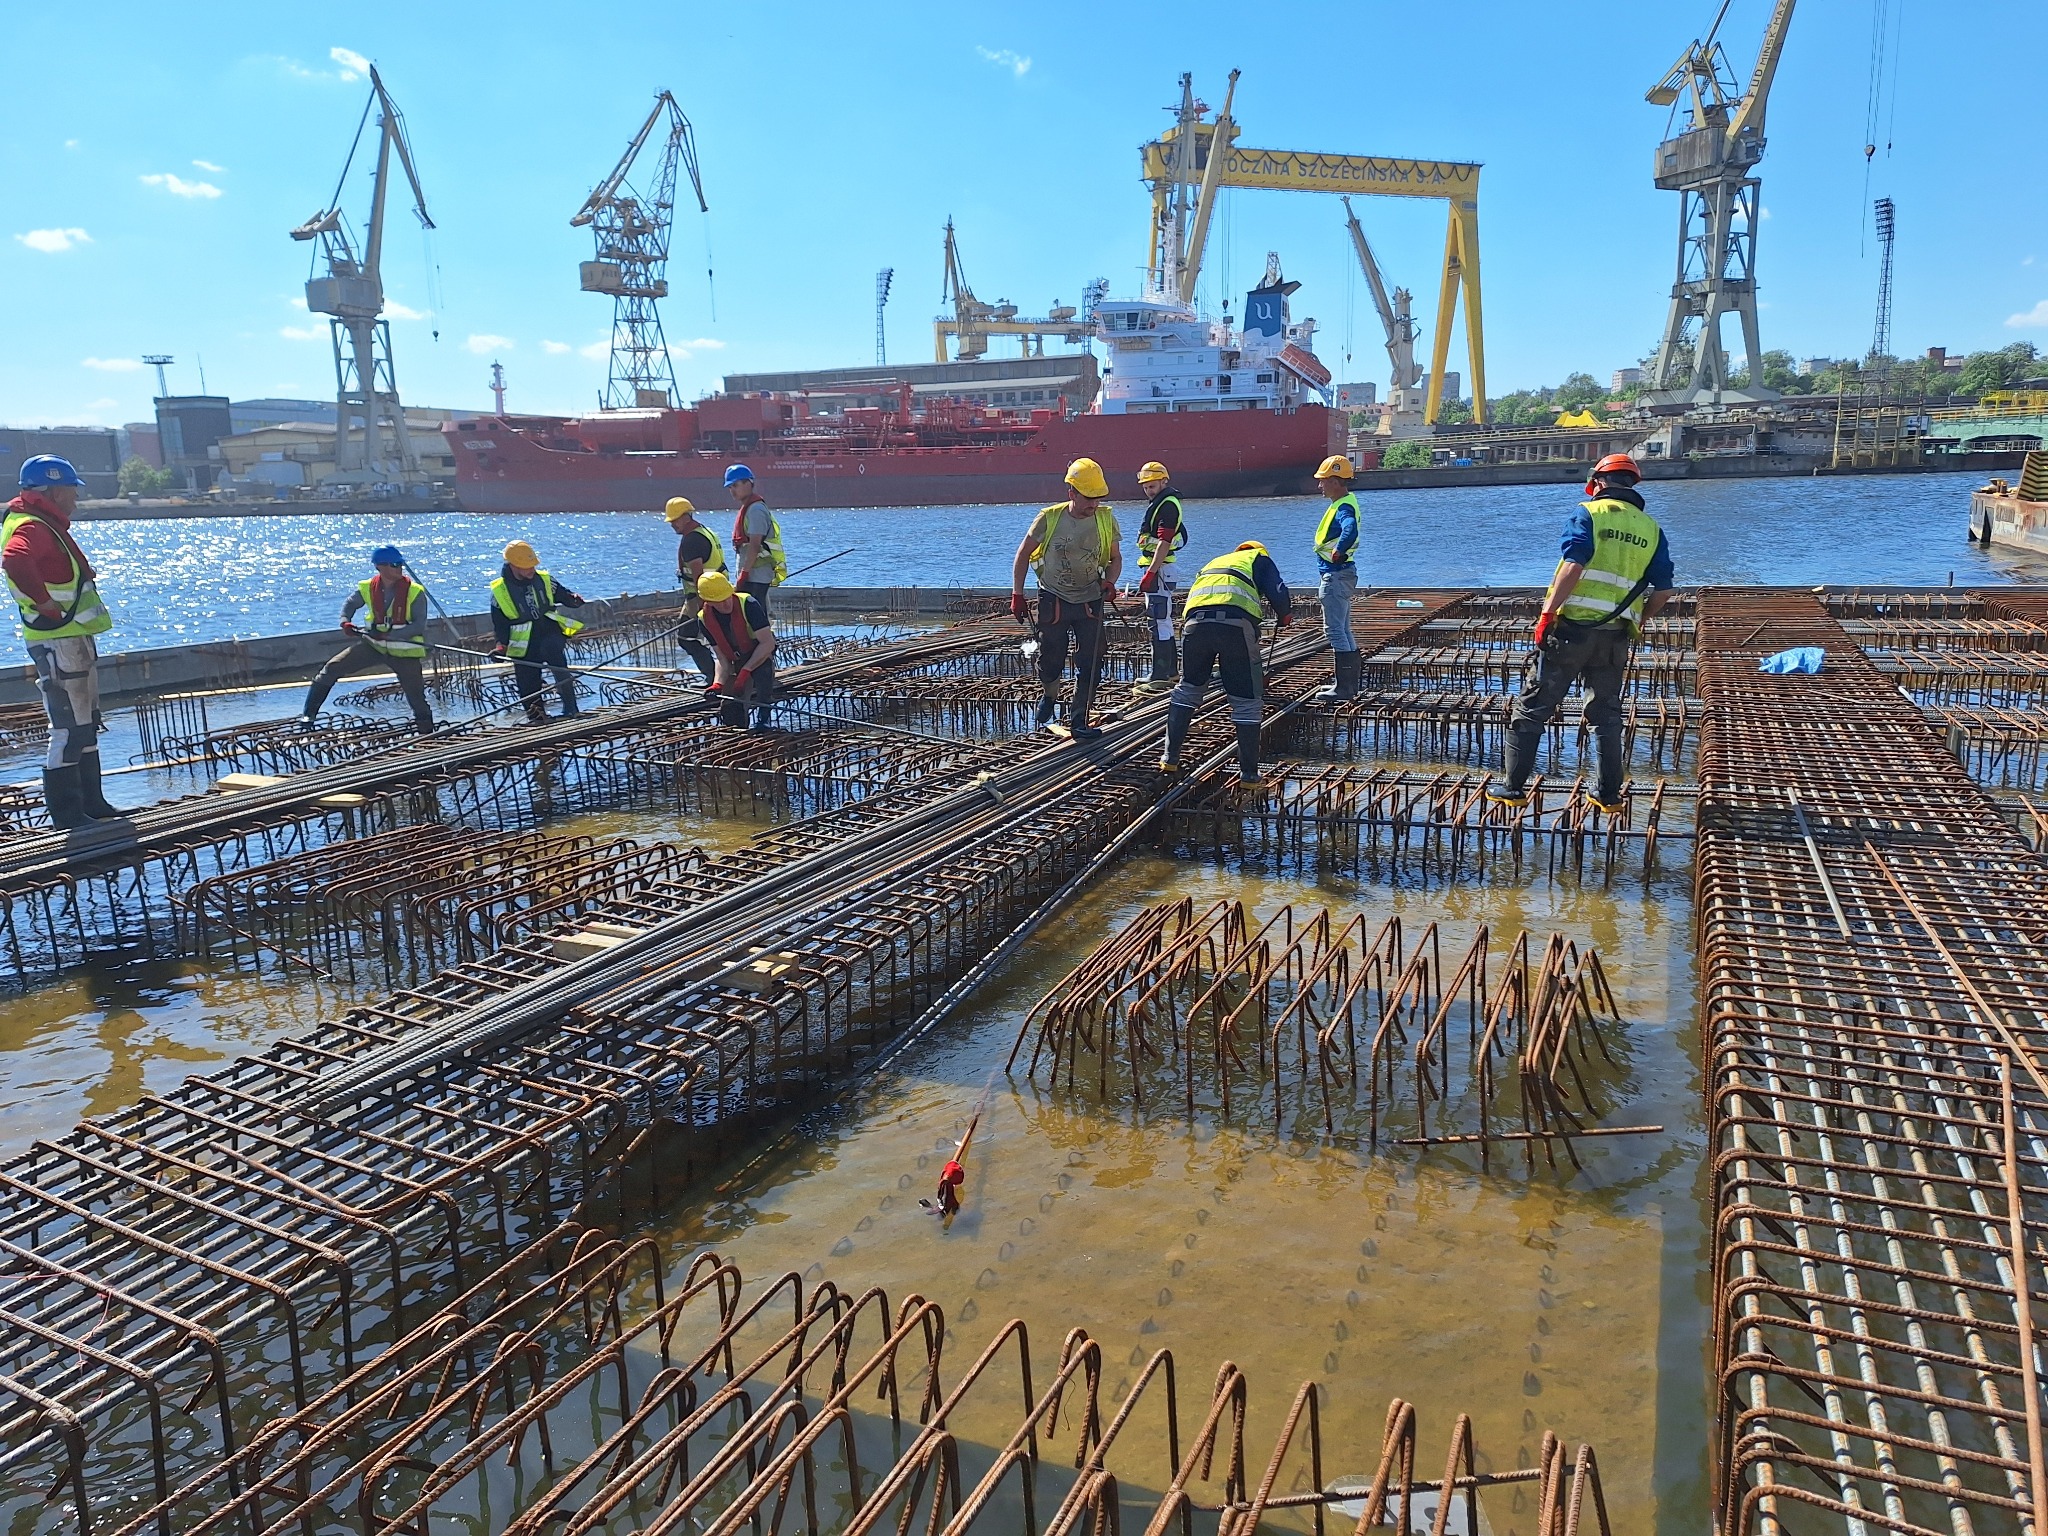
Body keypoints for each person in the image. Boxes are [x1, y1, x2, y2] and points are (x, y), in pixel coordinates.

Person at [1486, 453, 1674, 814]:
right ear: (1633, 484)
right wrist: (1640, 619)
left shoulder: (1588, 514)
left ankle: (1513, 788)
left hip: (1570, 632)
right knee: (1605, 713)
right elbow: (1664, 591)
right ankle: (1607, 796)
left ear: (1598, 482)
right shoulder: (1652, 529)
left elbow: (1573, 565)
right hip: (1615, 635)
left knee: (1532, 707)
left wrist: (1547, 613)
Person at [2, 456, 122, 827]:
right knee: (68, 727)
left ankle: (93, 803)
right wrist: (45, 604)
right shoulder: (33, 527)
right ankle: (68, 815)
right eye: (72, 490)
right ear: (54, 490)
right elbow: (14, 561)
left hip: (71, 640)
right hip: (57, 642)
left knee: (86, 722)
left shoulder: (43, 524)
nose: (75, 498)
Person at [1159, 541, 1293, 788]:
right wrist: (1284, 615)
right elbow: (1280, 597)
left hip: (1194, 626)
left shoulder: (1215, 562)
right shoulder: (1260, 559)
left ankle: (1170, 758)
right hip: (1234, 629)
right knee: (1246, 702)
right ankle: (1250, 775)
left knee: (1188, 689)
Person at [1010, 458, 1122, 739]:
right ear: (1072, 492)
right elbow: (1023, 554)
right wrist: (1017, 594)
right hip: (1054, 598)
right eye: (1088, 499)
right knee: (1051, 660)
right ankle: (1049, 694)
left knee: (1092, 660)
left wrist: (1110, 581)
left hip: (1090, 599)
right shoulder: (1049, 518)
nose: (1093, 505)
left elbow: (1116, 559)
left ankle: (1079, 721)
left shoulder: (1106, 519)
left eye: (1097, 499)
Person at [301, 546, 437, 734]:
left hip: (405, 653)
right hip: (374, 646)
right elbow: (350, 604)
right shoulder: (367, 587)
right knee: (331, 669)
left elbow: (418, 625)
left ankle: (427, 733)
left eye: (401, 564)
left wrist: (390, 635)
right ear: (381, 567)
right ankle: (309, 716)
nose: (400, 568)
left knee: (416, 697)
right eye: (395, 564)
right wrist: (345, 622)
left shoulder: (415, 592)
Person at [489, 540, 588, 723]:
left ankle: (571, 709)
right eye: (526, 567)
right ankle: (537, 717)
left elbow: (564, 596)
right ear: (513, 566)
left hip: (548, 632)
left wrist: (573, 600)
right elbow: (499, 624)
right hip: (523, 641)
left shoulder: (545, 580)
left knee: (559, 667)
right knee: (527, 678)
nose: (531, 570)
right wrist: (501, 646)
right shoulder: (499, 591)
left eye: (533, 565)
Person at [1131, 460, 1188, 693]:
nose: (1148, 490)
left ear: (1164, 481)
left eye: (1152, 486)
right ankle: (1170, 672)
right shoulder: (1160, 503)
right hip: (1159, 569)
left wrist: (1151, 572)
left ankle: (1160, 674)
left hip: (1160, 570)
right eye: (1145, 487)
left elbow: (1164, 542)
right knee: (1161, 622)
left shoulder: (1167, 505)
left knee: (1159, 623)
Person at [695, 570, 777, 728]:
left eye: (727, 597)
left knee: (763, 674)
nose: (725, 603)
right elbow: (721, 658)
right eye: (718, 601)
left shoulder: (748, 604)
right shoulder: (704, 619)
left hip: (759, 654)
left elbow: (768, 643)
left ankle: (764, 718)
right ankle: (739, 733)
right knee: (731, 706)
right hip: (735, 661)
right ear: (707, 601)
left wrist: (746, 670)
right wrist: (718, 683)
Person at [1312, 454, 1362, 701]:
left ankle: (1343, 688)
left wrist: (1338, 549)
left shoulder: (1343, 506)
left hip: (1335, 575)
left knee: (1334, 631)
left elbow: (1350, 528)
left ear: (1335, 481)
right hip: (1343, 574)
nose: (1320, 485)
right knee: (1344, 629)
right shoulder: (1344, 502)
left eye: (1323, 480)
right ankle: (1349, 686)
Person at [665, 496, 724, 682]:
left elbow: (699, 575)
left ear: (686, 516)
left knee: (686, 638)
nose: (672, 524)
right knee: (720, 636)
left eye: (675, 520)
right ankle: (721, 673)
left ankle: (713, 676)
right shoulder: (704, 531)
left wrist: (701, 603)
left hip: (703, 596)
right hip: (718, 591)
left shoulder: (691, 541)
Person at [725, 464, 787, 614]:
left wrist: (744, 574)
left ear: (749, 483)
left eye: (735, 485)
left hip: (757, 575)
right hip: (753, 574)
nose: (732, 490)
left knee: (756, 617)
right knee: (753, 617)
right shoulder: (749, 508)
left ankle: (764, 638)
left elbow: (754, 545)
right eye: (730, 487)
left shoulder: (755, 510)